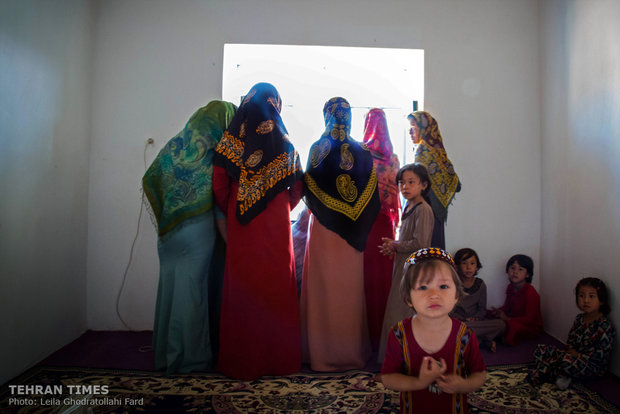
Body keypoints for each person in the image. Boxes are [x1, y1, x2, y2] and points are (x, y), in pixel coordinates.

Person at [213, 83, 304, 380]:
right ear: (275, 105)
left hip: (242, 220)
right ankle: (280, 361)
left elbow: (218, 182)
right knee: (277, 286)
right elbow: (298, 187)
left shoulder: (231, 139)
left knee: (243, 286)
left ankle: (243, 362)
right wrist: (280, 207)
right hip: (276, 221)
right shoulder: (286, 142)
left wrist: (235, 204)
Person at [142, 100, 236, 375]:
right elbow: (218, 196)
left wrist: (168, 214)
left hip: (170, 232)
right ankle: (190, 360)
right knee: (193, 291)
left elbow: (151, 178)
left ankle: (165, 354)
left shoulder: (176, 145)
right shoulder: (215, 150)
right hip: (199, 229)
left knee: (170, 289)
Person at [301, 97, 381, 371]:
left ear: (326, 115)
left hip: (324, 229)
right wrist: (355, 222)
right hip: (354, 235)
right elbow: (372, 199)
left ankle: (321, 355)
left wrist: (329, 211)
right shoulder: (362, 151)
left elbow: (308, 189)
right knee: (348, 291)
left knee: (324, 291)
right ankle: (351, 354)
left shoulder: (317, 148)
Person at [381, 248, 486, 414]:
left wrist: (463, 385)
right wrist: (419, 383)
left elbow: (479, 375)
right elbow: (388, 378)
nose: (434, 295)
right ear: (409, 298)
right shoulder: (398, 334)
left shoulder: (465, 335)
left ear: (457, 295)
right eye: (423, 287)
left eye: (443, 286)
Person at [378, 163, 434, 361]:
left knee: (401, 315)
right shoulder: (409, 206)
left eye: (411, 182)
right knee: (397, 314)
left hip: (414, 272)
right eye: (402, 183)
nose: (405, 187)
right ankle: (396, 361)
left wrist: (396, 246)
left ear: (424, 185)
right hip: (403, 267)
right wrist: (393, 245)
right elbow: (406, 241)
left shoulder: (423, 210)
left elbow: (421, 243)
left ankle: (405, 362)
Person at [529, 277, 615, 390]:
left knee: (565, 362)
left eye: (592, 296)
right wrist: (571, 351)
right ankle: (558, 373)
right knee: (541, 350)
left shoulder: (604, 325)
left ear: (602, 300)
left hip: (590, 365)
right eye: (581, 296)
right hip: (572, 356)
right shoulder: (579, 319)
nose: (586, 300)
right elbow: (570, 341)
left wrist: (578, 356)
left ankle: (552, 372)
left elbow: (600, 358)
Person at [361, 108, 401, 352]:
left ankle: (372, 340)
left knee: (368, 282)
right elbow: (394, 199)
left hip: (365, 225)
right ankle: (383, 340)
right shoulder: (393, 159)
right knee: (382, 282)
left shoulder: (360, 155)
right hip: (385, 224)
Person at [408, 111, 461, 250]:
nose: (410, 132)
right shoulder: (438, 151)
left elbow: (417, 183)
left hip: (426, 208)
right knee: (436, 248)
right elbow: (456, 184)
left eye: (413, 128)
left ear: (423, 129)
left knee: (425, 249)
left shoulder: (422, 150)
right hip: (436, 211)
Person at [450, 248, 505, 352]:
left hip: (476, 322)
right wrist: (464, 320)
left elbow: (482, 309)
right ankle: (483, 340)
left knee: (501, 325)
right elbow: (450, 311)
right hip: (459, 322)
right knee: (453, 328)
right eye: (464, 263)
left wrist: (476, 318)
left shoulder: (480, 284)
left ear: (477, 267)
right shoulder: (452, 284)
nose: (468, 267)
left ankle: (471, 340)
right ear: (457, 266)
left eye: (472, 263)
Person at [488, 254, 543, 346]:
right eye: (512, 268)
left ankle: (504, 339)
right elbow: (507, 307)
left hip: (529, 326)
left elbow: (529, 319)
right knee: (489, 314)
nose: (515, 272)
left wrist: (507, 318)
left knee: (511, 326)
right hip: (513, 319)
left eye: (520, 269)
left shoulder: (530, 292)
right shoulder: (510, 287)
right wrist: (499, 312)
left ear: (528, 274)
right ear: (507, 270)